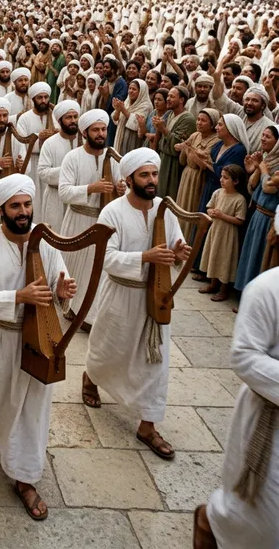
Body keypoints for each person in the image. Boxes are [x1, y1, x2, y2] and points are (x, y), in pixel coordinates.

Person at [0, 174, 75, 520]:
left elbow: (60, 279)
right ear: (1, 209)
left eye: (27, 204)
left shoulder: (47, 242)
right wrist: (19, 296)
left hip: (38, 341)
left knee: (32, 410)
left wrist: (62, 294)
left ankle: (24, 476)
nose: (23, 211)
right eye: (15, 206)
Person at [83, 148, 191, 460]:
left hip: (155, 299)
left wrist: (179, 251)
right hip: (120, 294)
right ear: (129, 178)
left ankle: (148, 423)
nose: (151, 180)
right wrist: (145, 256)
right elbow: (106, 257)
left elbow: (174, 242)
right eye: (144, 175)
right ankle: (91, 376)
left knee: (156, 361)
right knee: (108, 349)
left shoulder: (165, 210)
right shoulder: (112, 212)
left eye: (154, 174)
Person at [193, 263, 279, 549]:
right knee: (264, 519)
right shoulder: (267, 289)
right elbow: (244, 356)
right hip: (271, 420)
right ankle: (212, 520)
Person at [58, 109, 124, 327]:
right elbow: (64, 192)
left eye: (103, 129)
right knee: (78, 269)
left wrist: (122, 187)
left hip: (104, 222)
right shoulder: (73, 157)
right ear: (85, 132)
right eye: (95, 130)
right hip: (78, 220)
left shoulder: (113, 156)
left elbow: (123, 183)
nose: (100, 134)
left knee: (100, 270)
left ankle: (91, 315)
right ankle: (74, 309)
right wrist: (91, 188)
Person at [235, 127, 279, 294]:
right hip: (257, 215)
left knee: (260, 258)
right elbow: (252, 188)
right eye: (262, 135)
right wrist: (257, 169)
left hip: (269, 219)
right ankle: (244, 291)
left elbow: (269, 188)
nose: (263, 139)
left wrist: (263, 168)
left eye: (267, 137)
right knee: (250, 255)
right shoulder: (267, 159)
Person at [198, 165, 247, 302]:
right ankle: (213, 284)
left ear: (236, 181)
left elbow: (240, 220)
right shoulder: (218, 193)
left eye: (226, 178)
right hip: (216, 230)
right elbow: (209, 207)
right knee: (214, 255)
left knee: (225, 259)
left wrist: (221, 215)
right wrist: (211, 212)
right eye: (221, 177)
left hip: (228, 234)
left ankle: (224, 289)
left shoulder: (239, 199)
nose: (221, 180)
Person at [174, 108, 221, 238]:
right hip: (187, 175)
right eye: (198, 119)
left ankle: (188, 238)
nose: (199, 123)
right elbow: (183, 160)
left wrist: (188, 149)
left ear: (212, 124)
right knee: (182, 204)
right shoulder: (195, 135)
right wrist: (186, 149)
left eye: (203, 120)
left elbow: (202, 164)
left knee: (192, 206)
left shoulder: (216, 141)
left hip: (198, 178)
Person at [13, 81, 56, 221]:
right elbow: (21, 142)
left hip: (51, 164)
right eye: (40, 97)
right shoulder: (25, 119)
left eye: (46, 97)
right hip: (32, 163)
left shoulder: (54, 115)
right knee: (35, 199)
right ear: (33, 99)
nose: (43, 101)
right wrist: (39, 138)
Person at [37, 100, 81, 229]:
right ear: (60, 120)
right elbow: (43, 172)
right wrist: (68, 171)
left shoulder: (84, 141)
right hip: (55, 198)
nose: (73, 120)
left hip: (78, 199)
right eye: (68, 117)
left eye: (75, 116)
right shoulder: (50, 143)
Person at [155, 86, 196, 199]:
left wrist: (162, 129)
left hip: (173, 165)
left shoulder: (187, 119)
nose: (168, 99)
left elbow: (176, 146)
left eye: (172, 96)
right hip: (163, 159)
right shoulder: (170, 114)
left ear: (182, 100)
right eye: (168, 96)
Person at [112, 78, 151, 154]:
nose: (131, 91)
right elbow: (115, 119)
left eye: (134, 89)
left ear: (141, 92)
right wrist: (117, 109)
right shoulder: (126, 101)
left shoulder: (146, 106)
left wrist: (122, 109)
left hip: (134, 141)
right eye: (130, 88)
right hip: (120, 137)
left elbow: (136, 124)